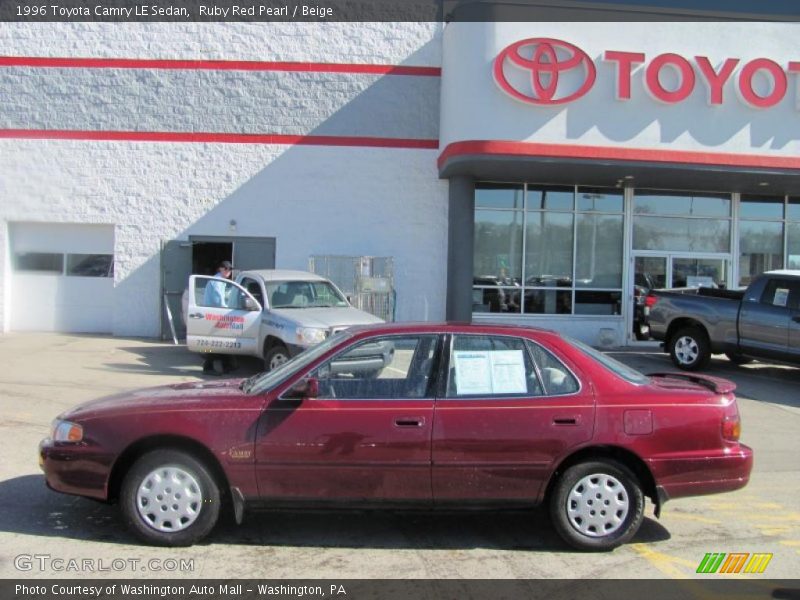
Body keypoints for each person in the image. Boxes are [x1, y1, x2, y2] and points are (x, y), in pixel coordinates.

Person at [202, 260, 236, 375]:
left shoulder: (222, 281)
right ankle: (208, 367)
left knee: (222, 342)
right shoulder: (217, 281)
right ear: (220, 269)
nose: (228, 271)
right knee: (212, 344)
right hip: (213, 315)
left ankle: (227, 365)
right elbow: (219, 301)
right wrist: (230, 310)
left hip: (217, 315)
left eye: (230, 269)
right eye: (226, 268)